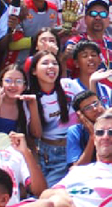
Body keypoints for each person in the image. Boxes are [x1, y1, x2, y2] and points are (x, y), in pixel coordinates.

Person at [25, 51, 78, 187]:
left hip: (72, 149)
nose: (51, 66)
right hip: (46, 153)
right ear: (34, 71)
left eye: (54, 63)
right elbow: (36, 133)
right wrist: (33, 104)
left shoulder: (69, 85)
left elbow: (88, 107)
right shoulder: (28, 97)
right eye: (45, 63)